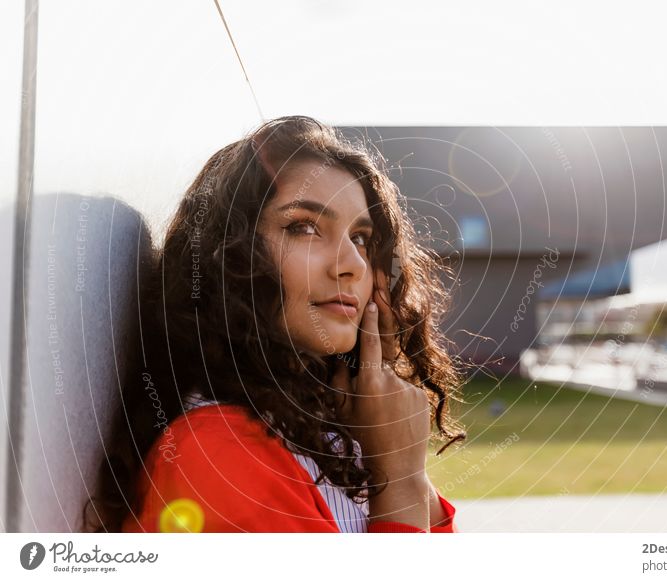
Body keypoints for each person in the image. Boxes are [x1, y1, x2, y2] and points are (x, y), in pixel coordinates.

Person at [82, 115, 467, 533]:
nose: (353, 264)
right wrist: (402, 483)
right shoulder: (216, 452)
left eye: (360, 237)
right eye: (304, 227)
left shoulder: (334, 436)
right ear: (229, 257)